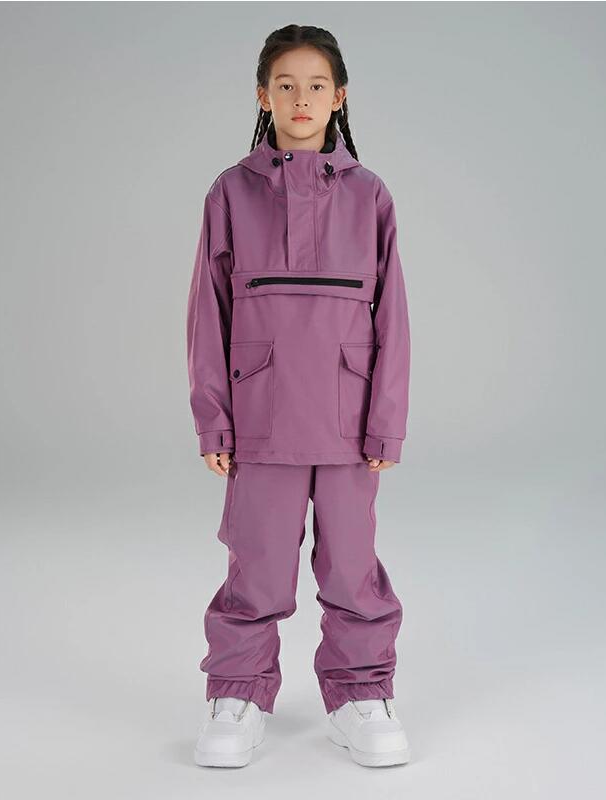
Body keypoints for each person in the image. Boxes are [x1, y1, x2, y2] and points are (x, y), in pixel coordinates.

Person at [186, 25, 411, 768]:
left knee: (352, 568)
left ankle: (359, 697)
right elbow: (207, 313)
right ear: (263, 96)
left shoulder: (369, 194)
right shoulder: (230, 192)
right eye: (285, 85)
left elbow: (393, 317)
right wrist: (214, 419)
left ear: (339, 96)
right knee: (256, 565)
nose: (301, 98)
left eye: (317, 85)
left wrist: (386, 424)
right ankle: (238, 696)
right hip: (261, 417)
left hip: (349, 421)